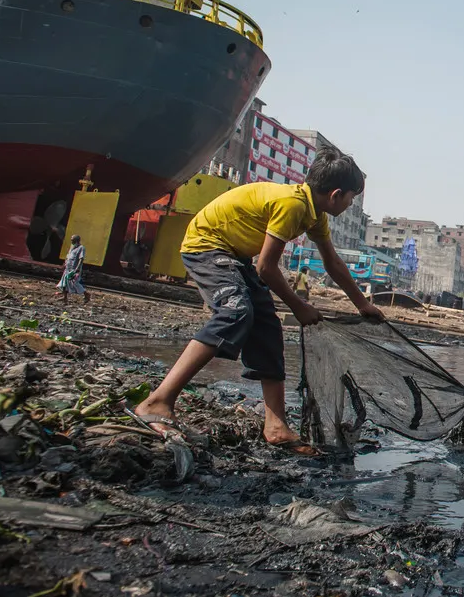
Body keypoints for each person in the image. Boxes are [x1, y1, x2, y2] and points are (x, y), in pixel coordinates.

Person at [132, 144, 384, 455]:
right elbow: (266, 267)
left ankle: (275, 425)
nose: (350, 204)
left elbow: (333, 262)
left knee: (266, 324)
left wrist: (362, 304)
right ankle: (158, 401)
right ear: (335, 195)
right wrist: (299, 306)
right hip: (207, 247)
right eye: (351, 198)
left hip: (235, 256)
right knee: (236, 311)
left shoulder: (315, 214)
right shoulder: (292, 205)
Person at [57, 234, 90, 304]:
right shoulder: (72, 247)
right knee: (64, 282)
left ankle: (86, 294)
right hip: (68, 268)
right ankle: (65, 298)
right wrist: (65, 264)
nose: (71, 241)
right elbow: (68, 257)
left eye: (72, 240)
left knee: (74, 283)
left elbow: (81, 259)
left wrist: (77, 268)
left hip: (74, 269)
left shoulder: (81, 248)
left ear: (77, 240)